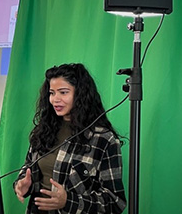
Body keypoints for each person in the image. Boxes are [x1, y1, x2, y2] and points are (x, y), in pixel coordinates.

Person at [13, 63, 126, 214]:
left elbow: (114, 202)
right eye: (52, 93)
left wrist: (67, 201)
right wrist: (22, 184)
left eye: (63, 92)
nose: (55, 99)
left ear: (80, 94)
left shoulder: (104, 139)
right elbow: (28, 166)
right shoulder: (44, 130)